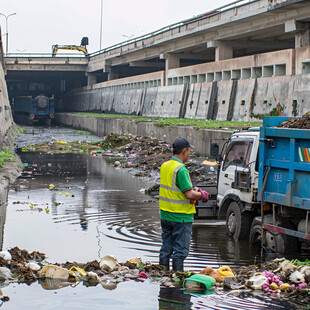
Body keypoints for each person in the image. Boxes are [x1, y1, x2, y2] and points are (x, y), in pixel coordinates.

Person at [159, 137, 210, 272]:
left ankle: (161, 276)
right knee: (180, 252)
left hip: (165, 215)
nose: (189, 154)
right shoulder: (181, 170)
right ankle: (177, 281)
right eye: (189, 151)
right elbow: (189, 194)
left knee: (166, 249)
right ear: (184, 151)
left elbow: (174, 189)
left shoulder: (165, 166)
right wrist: (202, 195)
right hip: (181, 217)